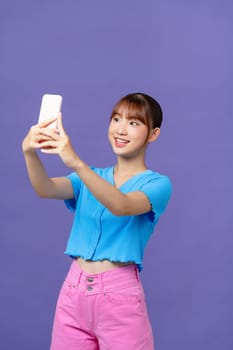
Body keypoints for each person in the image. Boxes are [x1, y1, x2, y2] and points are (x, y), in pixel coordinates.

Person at [22, 92, 172, 350]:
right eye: (116, 119)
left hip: (119, 297)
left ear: (153, 134)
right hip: (73, 292)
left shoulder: (158, 184)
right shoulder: (89, 177)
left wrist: (76, 162)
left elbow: (121, 205)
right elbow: (45, 188)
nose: (121, 129)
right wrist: (30, 153)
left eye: (134, 123)